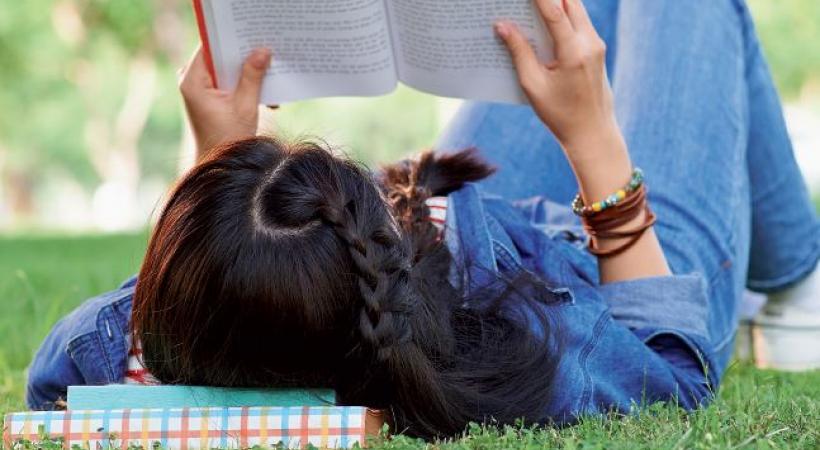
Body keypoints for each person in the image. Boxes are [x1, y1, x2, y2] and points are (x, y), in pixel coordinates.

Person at [26, 0, 819, 440]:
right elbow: (668, 371)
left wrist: (219, 170)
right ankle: (794, 278)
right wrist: (594, 140)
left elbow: (95, 355)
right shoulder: (516, 347)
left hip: (463, 201)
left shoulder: (105, 357)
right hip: (615, 260)